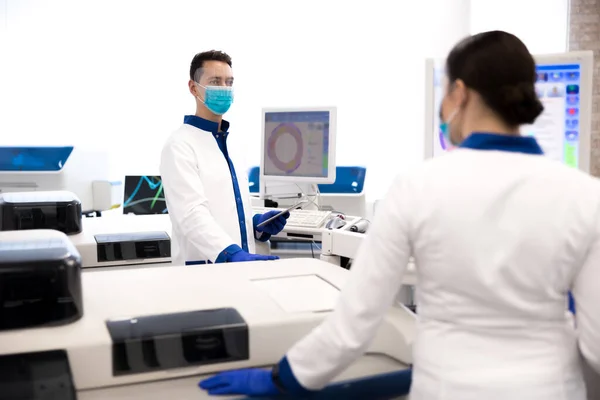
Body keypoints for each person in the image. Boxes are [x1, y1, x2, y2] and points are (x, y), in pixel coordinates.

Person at [198, 31, 600, 399]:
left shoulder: (418, 187)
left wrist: (280, 379)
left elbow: (354, 324)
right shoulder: (584, 195)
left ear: (459, 93)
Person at [160, 50, 288, 266]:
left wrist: (255, 225)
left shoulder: (233, 144)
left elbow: (227, 208)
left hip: (238, 266)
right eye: (215, 82)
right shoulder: (179, 145)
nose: (224, 89)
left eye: (229, 82)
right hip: (205, 269)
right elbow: (191, 215)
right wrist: (230, 254)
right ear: (193, 88)